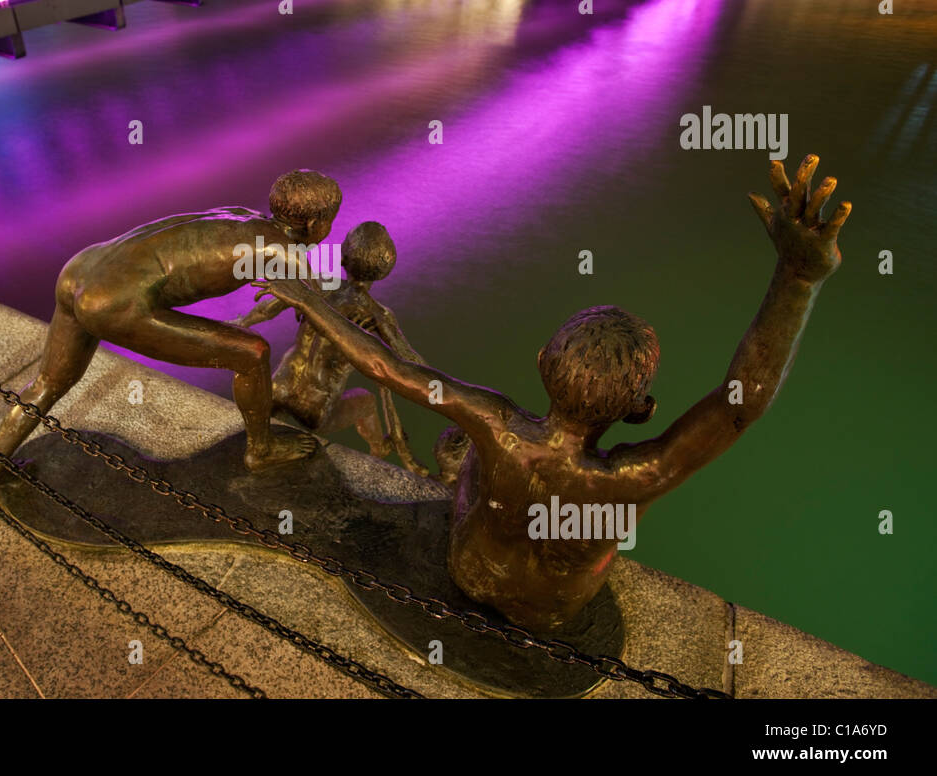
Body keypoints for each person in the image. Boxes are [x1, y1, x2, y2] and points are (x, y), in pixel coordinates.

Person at [254, 156, 851, 632]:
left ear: (543, 363)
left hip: (469, 571)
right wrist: (796, 280)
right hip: (552, 612)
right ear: (641, 408)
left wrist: (305, 297)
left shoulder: (497, 422)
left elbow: (384, 368)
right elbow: (739, 407)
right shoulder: (638, 474)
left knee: (464, 449)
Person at [0, 169, 342, 489]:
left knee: (47, 384)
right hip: (116, 302)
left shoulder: (243, 215)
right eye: (331, 220)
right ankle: (260, 450)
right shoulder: (280, 250)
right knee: (253, 353)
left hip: (82, 269)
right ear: (314, 224)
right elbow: (329, 309)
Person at [233, 221, 428, 475]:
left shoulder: (320, 284)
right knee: (367, 401)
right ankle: (379, 447)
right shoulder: (377, 314)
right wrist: (384, 338)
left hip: (277, 389)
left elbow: (266, 310)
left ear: (343, 259)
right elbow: (415, 366)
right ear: (383, 271)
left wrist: (240, 323)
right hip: (315, 407)